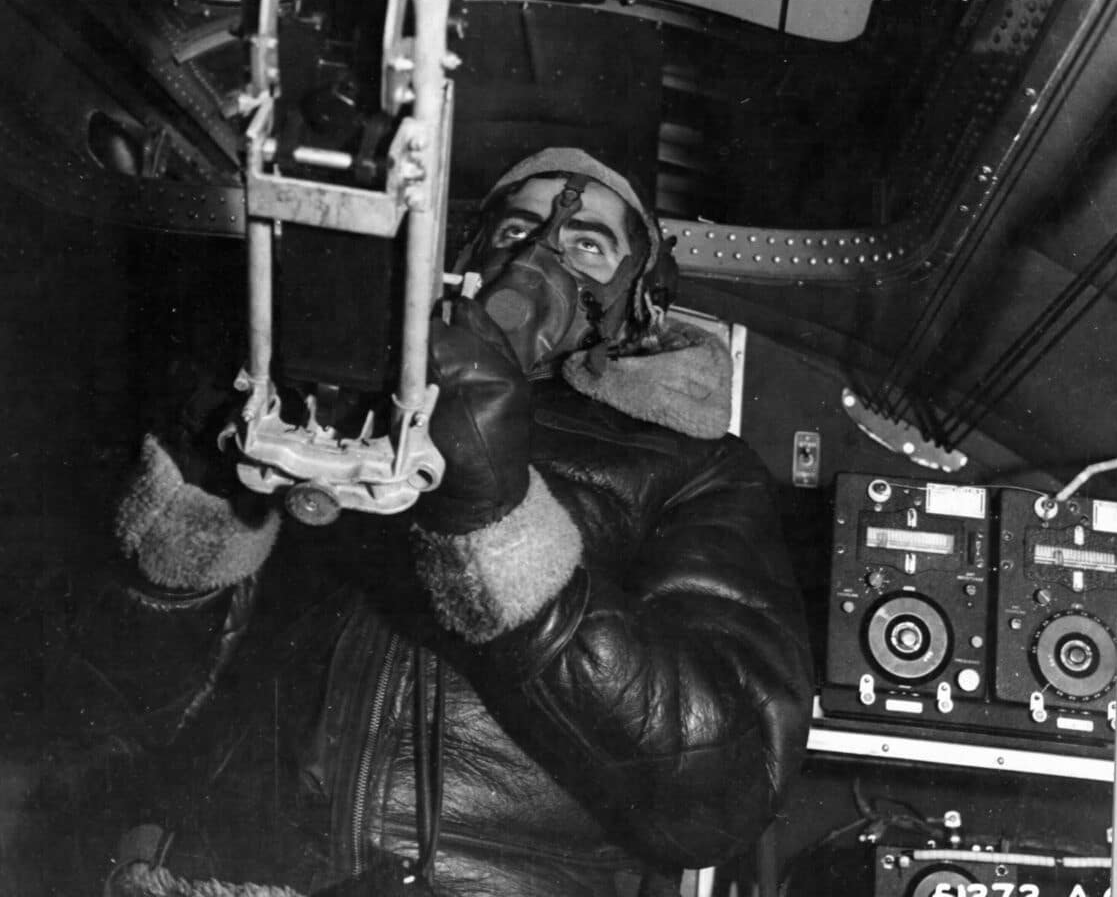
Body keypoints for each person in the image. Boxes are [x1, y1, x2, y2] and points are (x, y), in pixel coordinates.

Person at [58, 148, 813, 897]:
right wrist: (200, 499)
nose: (537, 258)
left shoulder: (697, 469)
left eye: (587, 243)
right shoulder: (337, 403)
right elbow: (101, 711)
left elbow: (723, 791)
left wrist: (499, 524)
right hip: (226, 873)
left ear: (636, 298)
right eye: (515, 229)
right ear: (466, 255)